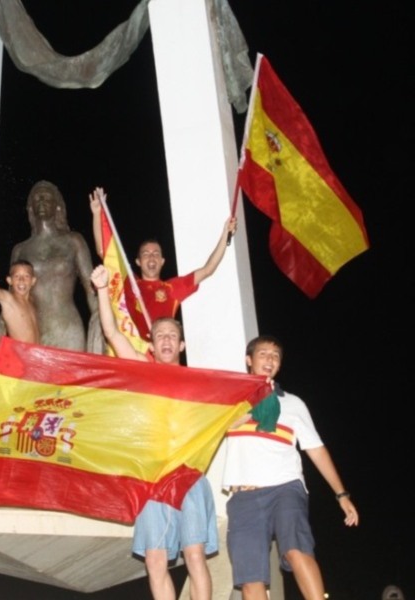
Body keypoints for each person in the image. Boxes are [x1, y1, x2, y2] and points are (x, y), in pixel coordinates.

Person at [90, 265, 217, 600]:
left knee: (194, 555)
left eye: (172, 336)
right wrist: (102, 289)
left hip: (187, 475)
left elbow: (228, 414)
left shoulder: (200, 382)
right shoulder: (143, 372)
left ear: (182, 344)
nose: (165, 340)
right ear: (152, 342)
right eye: (160, 335)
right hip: (152, 476)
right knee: (156, 560)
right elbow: (113, 334)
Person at [222, 335, 359, 600]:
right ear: (249, 360)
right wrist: (252, 404)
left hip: (286, 486)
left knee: (297, 549)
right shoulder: (230, 399)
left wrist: (342, 494)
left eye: (275, 356)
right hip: (244, 494)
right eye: (263, 354)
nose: (270, 359)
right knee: (250, 578)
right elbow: (210, 426)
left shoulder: (294, 404)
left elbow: (316, 449)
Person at [89, 186, 237, 339]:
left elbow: (208, 269)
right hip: (133, 353)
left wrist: (225, 233)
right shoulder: (129, 282)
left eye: (156, 254)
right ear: (138, 262)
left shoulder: (172, 288)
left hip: (161, 354)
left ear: (162, 261)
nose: (151, 257)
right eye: (146, 254)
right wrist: (96, 214)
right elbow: (104, 251)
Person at [12, 180, 101, 352]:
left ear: (57, 206)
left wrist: (101, 320)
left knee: (71, 378)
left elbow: (91, 289)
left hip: (68, 327)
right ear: (30, 207)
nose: (41, 201)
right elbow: (13, 299)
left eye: (46, 197)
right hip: (33, 329)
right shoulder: (21, 250)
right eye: (36, 198)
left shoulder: (73, 241)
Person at [0, 241, 39, 344]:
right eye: (17, 276)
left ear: (33, 281)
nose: (21, 280)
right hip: (19, 356)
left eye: (26, 276)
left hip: (34, 355)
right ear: (9, 280)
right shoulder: (8, 299)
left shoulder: (32, 302)